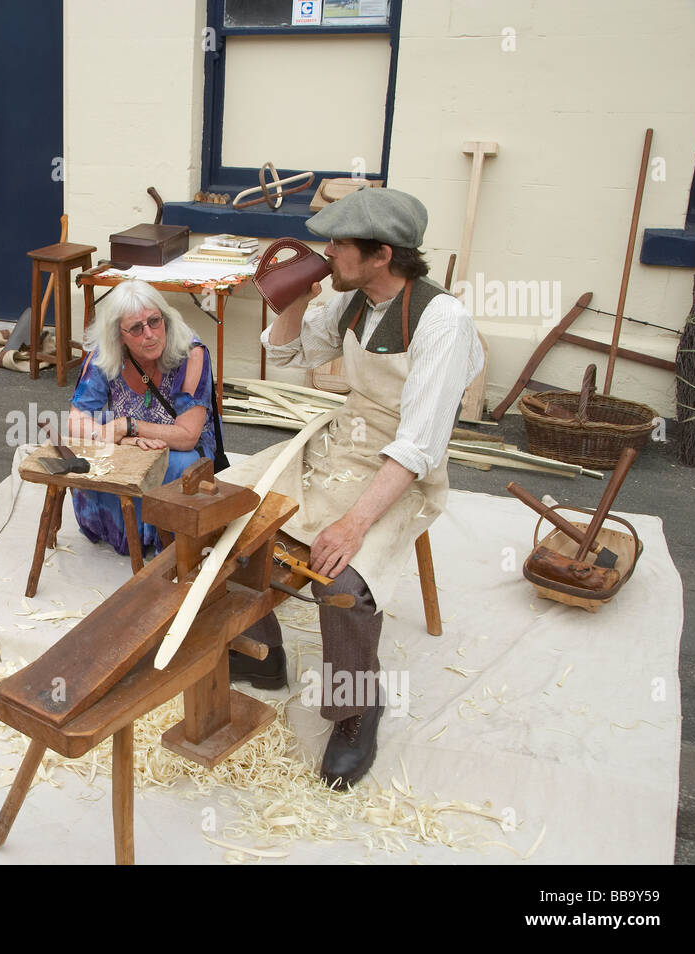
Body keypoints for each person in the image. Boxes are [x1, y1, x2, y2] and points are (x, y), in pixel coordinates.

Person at [233, 187, 483, 788]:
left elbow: (421, 444)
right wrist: (291, 298)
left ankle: (354, 708)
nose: (329, 252)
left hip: (404, 468)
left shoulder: (440, 319)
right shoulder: (351, 296)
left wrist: (351, 525)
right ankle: (262, 657)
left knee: (342, 579)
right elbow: (292, 353)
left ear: (382, 254)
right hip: (342, 438)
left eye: (340, 244)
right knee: (232, 511)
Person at [67, 280, 217, 556]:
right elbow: (76, 421)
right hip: (129, 443)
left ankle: (166, 540)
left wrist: (129, 427)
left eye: (154, 321)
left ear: (165, 319)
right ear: (119, 335)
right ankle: (123, 531)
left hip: (177, 445)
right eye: (136, 328)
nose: (149, 334)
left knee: (179, 465)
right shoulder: (105, 354)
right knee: (90, 454)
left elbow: (187, 436)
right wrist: (123, 441)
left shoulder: (191, 354)